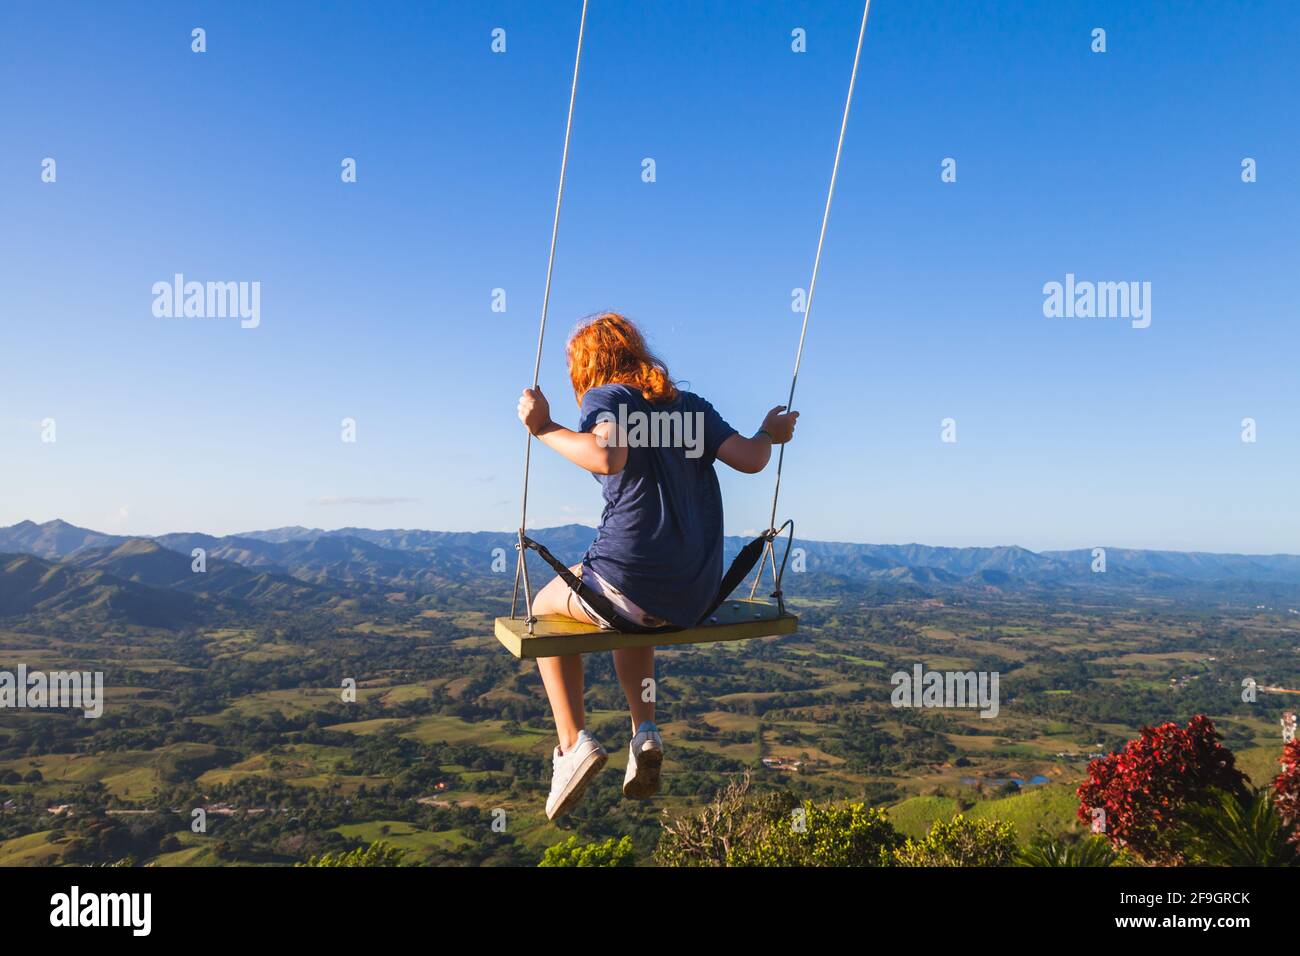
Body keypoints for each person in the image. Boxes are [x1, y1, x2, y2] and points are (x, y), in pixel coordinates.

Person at [515, 312, 799, 819]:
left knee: (542, 608)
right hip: (693, 595)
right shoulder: (690, 407)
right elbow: (753, 459)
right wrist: (769, 431)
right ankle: (643, 731)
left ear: (590, 365)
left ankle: (572, 744)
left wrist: (543, 428)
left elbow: (606, 455)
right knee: (634, 616)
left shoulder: (607, 397)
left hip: (628, 581)